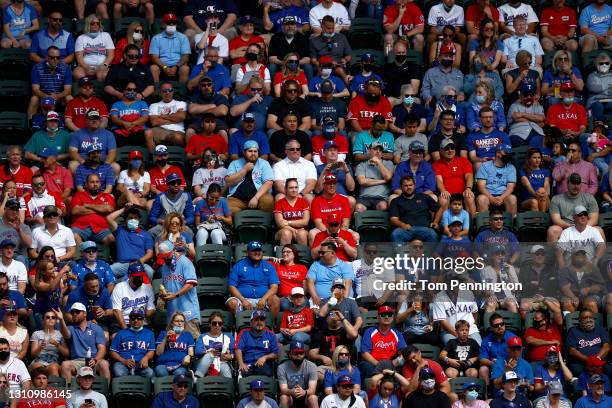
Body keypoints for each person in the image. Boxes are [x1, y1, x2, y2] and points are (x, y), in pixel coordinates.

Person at [56, 304, 110, 384]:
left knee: (104, 364)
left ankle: (106, 394)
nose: (74, 314)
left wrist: (96, 359)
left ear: (85, 314)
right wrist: (61, 320)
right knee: (65, 365)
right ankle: (68, 394)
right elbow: (65, 334)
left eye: (77, 312)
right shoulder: (71, 328)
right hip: (76, 361)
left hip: (93, 360)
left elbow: (102, 348)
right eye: (72, 312)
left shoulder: (95, 328)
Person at [227, 240, 280, 316]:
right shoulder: (239, 265)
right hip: (243, 299)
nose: (257, 253)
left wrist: (264, 299)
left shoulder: (269, 266)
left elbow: (274, 287)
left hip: (263, 299)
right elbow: (231, 286)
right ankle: (240, 325)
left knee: (275, 300)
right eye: (254, 250)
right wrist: (243, 300)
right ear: (247, 252)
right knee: (231, 303)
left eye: (259, 250)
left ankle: (270, 325)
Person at [157, 240, 200, 335]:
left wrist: (175, 295)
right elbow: (164, 286)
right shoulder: (165, 267)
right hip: (172, 316)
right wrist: (162, 297)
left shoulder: (185, 262)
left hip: (188, 313)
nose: (165, 259)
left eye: (166, 255)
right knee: (173, 346)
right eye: (163, 257)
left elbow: (191, 283)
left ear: (173, 251)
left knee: (192, 344)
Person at [225, 140, 274, 213]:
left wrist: (256, 198)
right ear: (244, 152)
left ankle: (264, 223)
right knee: (226, 206)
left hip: (259, 197)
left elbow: (269, 183)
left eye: (255, 151)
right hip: (237, 199)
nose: (253, 153)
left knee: (268, 201)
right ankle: (242, 221)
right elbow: (228, 181)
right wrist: (244, 169)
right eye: (250, 151)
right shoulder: (235, 163)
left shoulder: (264, 163)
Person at [360, 306, 407, 380]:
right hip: (374, 364)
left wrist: (394, 363)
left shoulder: (397, 333)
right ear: (378, 317)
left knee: (404, 365)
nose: (387, 317)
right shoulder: (370, 332)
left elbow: (404, 352)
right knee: (366, 366)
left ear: (392, 317)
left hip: (392, 364)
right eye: (383, 315)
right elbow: (365, 353)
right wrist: (379, 365)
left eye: (389, 314)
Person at [389, 176, 441, 243]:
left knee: (433, 234)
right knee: (395, 234)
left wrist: (435, 222)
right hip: (406, 229)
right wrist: (403, 225)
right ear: (401, 187)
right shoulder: (396, 201)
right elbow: (393, 219)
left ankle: (430, 254)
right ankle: (400, 253)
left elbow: (439, 209)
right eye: (406, 186)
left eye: (411, 185)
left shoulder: (424, 197)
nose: (409, 187)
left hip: (424, 228)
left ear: (414, 185)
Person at [109, 307, 155, 378]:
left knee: (150, 373)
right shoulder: (121, 333)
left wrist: (146, 358)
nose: (136, 320)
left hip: (140, 363)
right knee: (119, 373)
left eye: (139, 318)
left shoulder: (149, 334)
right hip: (122, 363)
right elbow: (112, 352)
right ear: (130, 320)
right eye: (133, 318)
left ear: (143, 320)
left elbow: (151, 351)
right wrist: (123, 360)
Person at [28, 47, 73, 119]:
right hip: (43, 96)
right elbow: (35, 90)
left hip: (59, 97)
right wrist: (47, 97)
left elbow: (68, 90)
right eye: (52, 57)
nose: (55, 60)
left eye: (58, 58)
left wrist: (57, 96)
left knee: (69, 98)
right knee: (34, 99)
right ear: (46, 57)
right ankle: (31, 124)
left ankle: (69, 124)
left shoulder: (65, 68)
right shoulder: (37, 68)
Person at [306, 243, 354, 309]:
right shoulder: (315, 265)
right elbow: (310, 282)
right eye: (319, 252)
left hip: (340, 300)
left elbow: (347, 285)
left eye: (323, 253)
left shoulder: (344, 266)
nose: (320, 255)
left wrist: (343, 303)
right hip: (320, 300)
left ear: (333, 253)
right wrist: (315, 297)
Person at [475, 144, 518, 216]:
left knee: (512, 198)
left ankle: (510, 225)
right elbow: (481, 186)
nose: (509, 156)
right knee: (481, 199)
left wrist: (501, 197)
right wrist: (491, 198)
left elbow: (510, 187)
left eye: (510, 154)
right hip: (488, 194)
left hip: (504, 195)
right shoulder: (485, 166)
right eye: (506, 153)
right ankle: (485, 225)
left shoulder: (511, 167)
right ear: (498, 154)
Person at [148, 173, 194, 239]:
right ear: (168, 185)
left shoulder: (186, 196)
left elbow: (191, 216)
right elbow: (152, 217)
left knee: (190, 233)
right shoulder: (160, 197)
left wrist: (182, 222)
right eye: (173, 183)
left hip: (180, 225)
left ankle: (186, 249)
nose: (176, 185)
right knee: (150, 233)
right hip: (164, 225)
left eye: (178, 183)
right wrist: (162, 221)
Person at [235, 310, 279, 377]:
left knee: (265, 374)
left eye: (262, 320)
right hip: (247, 364)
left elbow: (276, 353)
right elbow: (238, 349)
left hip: (263, 365)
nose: (259, 322)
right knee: (243, 374)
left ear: (265, 322)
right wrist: (241, 363)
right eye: (256, 320)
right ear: (251, 323)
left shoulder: (271, 335)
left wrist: (265, 357)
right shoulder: (244, 333)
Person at [149, 13, 191, 84]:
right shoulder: (156, 38)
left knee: (185, 69)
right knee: (153, 68)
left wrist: (176, 66)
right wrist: (164, 67)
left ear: (176, 25)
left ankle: (181, 92)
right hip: (162, 66)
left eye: (173, 23)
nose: (171, 25)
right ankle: (156, 92)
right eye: (168, 23)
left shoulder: (183, 37)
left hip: (178, 65)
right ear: (163, 24)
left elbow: (185, 56)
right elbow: (154, 57)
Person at [267, 16, 311, 80]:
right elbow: (271, 59)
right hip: (281, 64)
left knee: (308, 67)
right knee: (272, 67)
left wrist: (294, 63)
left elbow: (307, 59)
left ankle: (308, 88)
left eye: (292, 24)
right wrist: (285, 63)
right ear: (282, 26)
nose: (290, 27)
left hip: (298, 65)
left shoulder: (302, 38)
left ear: (296, 26)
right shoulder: (275, 38)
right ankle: (273, 88)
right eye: (287, 24)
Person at [277, 339, 318, 408]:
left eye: (301, 353)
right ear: (290, 354)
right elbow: (283, 389)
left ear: (304, 354)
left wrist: (304, 392)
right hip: (290, 396)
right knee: (283, 397)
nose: (298, 355)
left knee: (313, 398)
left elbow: (312, 390)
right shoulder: (282, 367)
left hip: (306, 396)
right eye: (295, 353)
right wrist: (291, 391)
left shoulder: (311, 366)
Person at [73, 15, 114, 81]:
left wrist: (104, 65)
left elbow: (111, 55)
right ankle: (86, 88)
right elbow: (79, 57)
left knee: (103, 75)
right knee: (77, 73)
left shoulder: (106, 35)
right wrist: (86, 67)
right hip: (85, 66)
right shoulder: (81, 37)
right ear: (88, 25)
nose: (95, 25)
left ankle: (99, 90)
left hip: (103, 66)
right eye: (92, 23)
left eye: (97, 23)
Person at [194, 311, 234, 378]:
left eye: (220, 323)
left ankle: (228, 385)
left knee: (226, 372)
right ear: (209, 324)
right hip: (204, 363)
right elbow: (198, 351)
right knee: (210, 355)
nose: (217, 325)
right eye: (214, 323)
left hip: (222, 362)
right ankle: (197, 378)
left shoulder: (229, 336)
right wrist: (209, 352)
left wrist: (231, 356)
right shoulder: (202, 336)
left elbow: (234, 352)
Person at [154, 311, 195, 377]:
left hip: (180, 364)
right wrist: (165, 338)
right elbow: (158, 353)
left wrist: (189, 356)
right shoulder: (163, 333)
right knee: (161, 372)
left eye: (182, 321)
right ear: (172, 323)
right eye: (177, 321)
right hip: (163, 364)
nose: (179, 323)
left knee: (180, 373)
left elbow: (191, 352)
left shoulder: (188, 335)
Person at [29, 309, 68, 376]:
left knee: (54, 367)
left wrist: (57, 344)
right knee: (38, 367)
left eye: (53, 317)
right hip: (39, 360)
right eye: (47, 317)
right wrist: (40, 347)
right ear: (43, 320)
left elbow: (67, 353)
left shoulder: (60, 334)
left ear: (56, 321)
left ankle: (55, 386)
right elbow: (33, 354)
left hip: (53, 361)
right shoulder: (36, 334)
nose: (50, 319)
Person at [273, 179, 309, 246]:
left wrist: (288, 222)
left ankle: (303, 256)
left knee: (302, 234)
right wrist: (292, 229)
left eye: (296, 187)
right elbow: (280, 224)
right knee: (287, 233)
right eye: (291, 188)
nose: (294, 190)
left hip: (301, 230)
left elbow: (305, 222)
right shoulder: (280, 203)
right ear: (286, 189)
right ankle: (284, 256)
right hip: (284, 230)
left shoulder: (303, 202)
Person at [586, 53, 612, 123]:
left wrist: (601, 87)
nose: (604, 65)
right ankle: (599, 127)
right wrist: (608, 86)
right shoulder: (592, 76)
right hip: (595, 100)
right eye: (601, 63)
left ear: (610, 64)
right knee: (598, 106)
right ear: (597, 65)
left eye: (607, 63)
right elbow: (593, 88)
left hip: (610, 100)